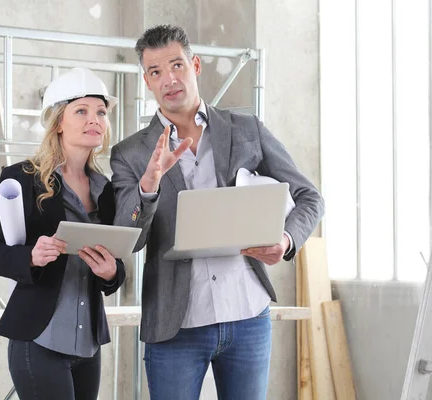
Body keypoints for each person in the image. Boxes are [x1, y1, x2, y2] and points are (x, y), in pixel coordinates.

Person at [111, 25, 324, 400]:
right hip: (176, 326)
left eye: (177, 65)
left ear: (195, 65)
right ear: (146, 80)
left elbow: (310, 197)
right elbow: (130, 238)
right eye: (156, 72)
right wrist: (148, 188)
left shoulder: (247, 129)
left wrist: (287, 241)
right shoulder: (130, 153)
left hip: (248, 316)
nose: (169, 79)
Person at [0, 67, 126, 400]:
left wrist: (112, 272)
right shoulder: (22, 178)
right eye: (82, 111)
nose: (95, 119)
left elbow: (115, 266)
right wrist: (30, 256)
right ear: (59, 121)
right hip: (39, 340)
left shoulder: (107, 190)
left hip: (88, 344)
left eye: (101, 112)